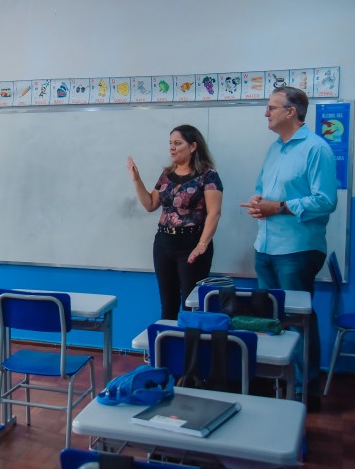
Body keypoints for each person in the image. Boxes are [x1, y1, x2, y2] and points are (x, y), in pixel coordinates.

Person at [240, 86, 337, 408]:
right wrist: (258, 202)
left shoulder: (315, 148)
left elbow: (326, 201)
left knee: (298, 320)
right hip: (266, 245)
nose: (266, 113)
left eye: (271, 108)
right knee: (270, 319)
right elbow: (262, 189)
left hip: (297, 249)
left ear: (290, 112)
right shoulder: (274, 149)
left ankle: (303, 390)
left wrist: (278, 207)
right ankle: (276, 383)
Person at [127, 125, 223, 320]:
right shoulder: (167, 175)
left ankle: (190, 348)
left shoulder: (208, 175)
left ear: (193, 146)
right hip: (164, 244)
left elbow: (214, 213)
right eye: (170, 143)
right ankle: (168, 348)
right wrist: (136, 180)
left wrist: (201, 245)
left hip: (192, 245)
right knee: (168, 303)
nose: (172, 147)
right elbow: (150, 204)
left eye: (177, 143)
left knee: (191, 304)